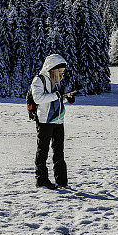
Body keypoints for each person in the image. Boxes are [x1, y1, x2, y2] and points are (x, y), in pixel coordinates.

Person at [31, 53, 75, 190]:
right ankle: (41, 180)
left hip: (58, 120)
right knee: (42, 151)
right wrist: (55, 95)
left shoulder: (57, 81)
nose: (62, 73)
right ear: (52, 68)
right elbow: (38, 98)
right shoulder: (39, 80)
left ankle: (62, 181)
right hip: (45, 120)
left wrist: (67, 98)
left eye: (63, 71)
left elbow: (57, 99)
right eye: (60, 70)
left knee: (59, 152)